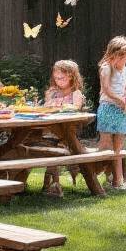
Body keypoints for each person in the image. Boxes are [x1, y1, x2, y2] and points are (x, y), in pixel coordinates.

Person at [97, 36, 126, 192]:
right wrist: (119, 99)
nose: (125, 59)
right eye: (122, 56)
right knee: (105, 145)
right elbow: (106, 89)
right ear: (112, 55)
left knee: (118, 149)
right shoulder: (106, 68)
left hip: (120, 111)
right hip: (108, 108)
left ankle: (118, 182)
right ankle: (96, 174)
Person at [42, 60, 85, 198]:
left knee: (56, 149)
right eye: (56, 78)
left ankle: (52, 184)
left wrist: (61, 107)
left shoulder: (75, 93)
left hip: (67, 133)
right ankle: (51, 184)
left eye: (62, 78)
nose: (58, 81)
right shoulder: (52, 92)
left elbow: (76, 108)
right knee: (49, 146)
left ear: (71, 76)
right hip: (49, 131)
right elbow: (46, 108)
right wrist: (50, 99)